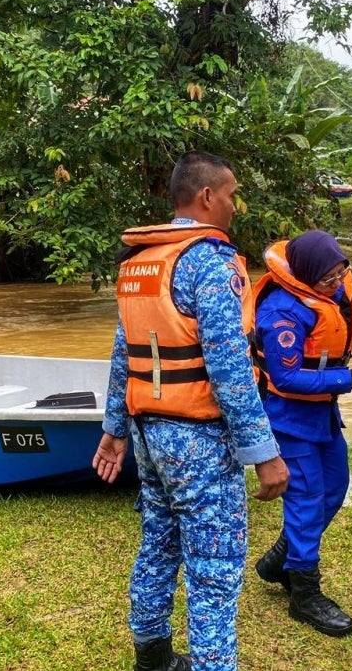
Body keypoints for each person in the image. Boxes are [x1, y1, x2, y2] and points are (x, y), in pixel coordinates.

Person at [93, 150, 289, 671]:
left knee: (157, 542)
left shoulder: (139, 264)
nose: (233, 205)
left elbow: (122, 355)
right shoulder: (211, 262)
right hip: (199, 439)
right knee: (215, 569)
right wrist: (264, 453)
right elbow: (229, 368)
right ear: (206, 196)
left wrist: (114, 428)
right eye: (230, 195)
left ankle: (152, 657)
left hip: (148, 435)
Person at [252, 230, 352, 637]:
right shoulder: (282, 311)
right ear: (306, 277)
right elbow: (285, 376)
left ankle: (280, 560)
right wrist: (351, 378)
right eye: (327, 279)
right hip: (288, 418)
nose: (337, 282)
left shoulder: (342, 285)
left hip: (323, 415)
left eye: (341, 273)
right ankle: (304, 593)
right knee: (306, 500)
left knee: (335, 488)